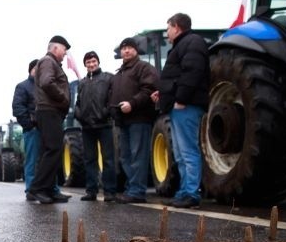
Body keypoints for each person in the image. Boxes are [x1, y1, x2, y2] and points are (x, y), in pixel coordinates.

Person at [152, 13, 210, 209]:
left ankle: (191, 193)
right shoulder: (185, 45)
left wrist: (182, 99)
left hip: (186, 106)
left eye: (168, 28)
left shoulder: (192, 43)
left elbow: (192, 72)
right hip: (179, 105)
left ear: (176, 27)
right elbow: (177, 77)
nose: (167, 32)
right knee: (180, 152)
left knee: (187, 151)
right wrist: (163, 93)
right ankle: (185, 191)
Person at [109, 37, 159, 204]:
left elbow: (149, 89)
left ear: (136, 50)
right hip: (123, 121)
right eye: (124, 48)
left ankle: (137, 191)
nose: (127, 51)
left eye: (130, 48)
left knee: (138, 155)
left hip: (139, 118)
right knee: (125, 157)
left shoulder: (144, 68)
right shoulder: (119, 74)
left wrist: (132, 103)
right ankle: (132, 188)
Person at [27, 35, 72, 204]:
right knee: (53, 150)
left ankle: (47, 190)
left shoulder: (51, 63)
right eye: (64, 50)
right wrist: (63, 98)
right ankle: (38, 188)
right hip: (49, 111)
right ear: (55, 48)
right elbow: (47, 82)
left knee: (51, 151)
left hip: (49, 112)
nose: (65, 54)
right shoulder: (48, 61)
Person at [74, 50, 117, 202]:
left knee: (108, 160)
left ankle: (110, 191)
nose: (91, 64)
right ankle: (91, 191)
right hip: (87, 128)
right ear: (85, 65)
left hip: (104, 124)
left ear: (98, 62)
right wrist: (79, 116)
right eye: (88, 62)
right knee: (89, 160)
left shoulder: (108, 78)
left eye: (93, 61)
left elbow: (112, 99)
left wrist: (106, 113)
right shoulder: (82, 83)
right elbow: (78, 104)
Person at [12, 59, 40, 198]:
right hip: (32, 130)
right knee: (32, 160)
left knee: (46, 160)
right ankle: (30, 190)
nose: (38, 71)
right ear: (31, 70)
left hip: (46, 129)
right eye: (36, 68)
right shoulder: (22, 86)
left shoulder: (45, 86)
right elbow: (17, 108)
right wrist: (29, 124)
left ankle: (47, 189)